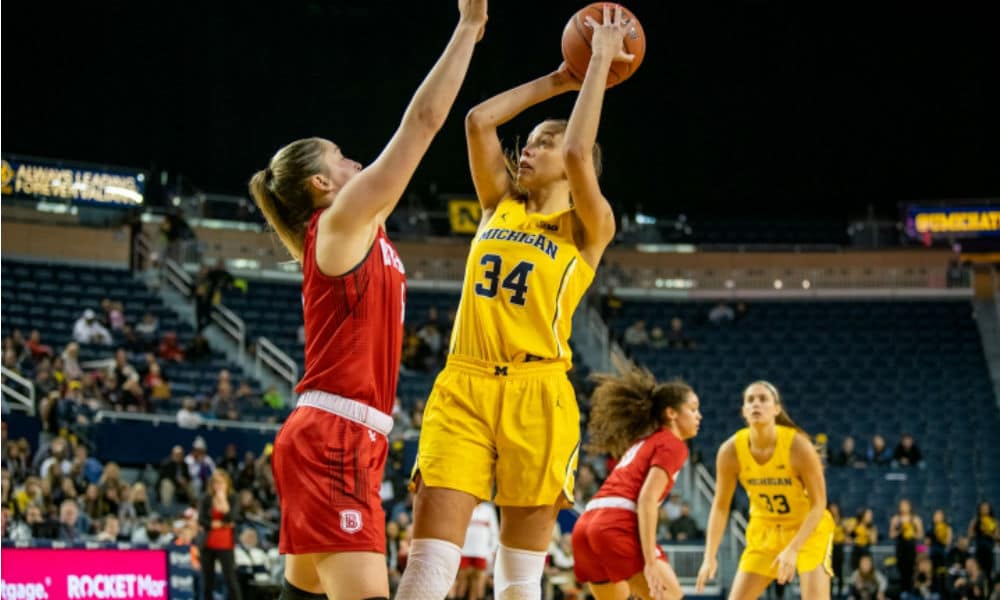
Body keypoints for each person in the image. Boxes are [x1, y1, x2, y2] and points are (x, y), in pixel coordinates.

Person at [248, 2, 489, 598]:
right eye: (344, 158)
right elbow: (425, 123)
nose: (359, 161)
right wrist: (468, 26)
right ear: (322, 185)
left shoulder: (362, 227)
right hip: (334, 436)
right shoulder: (340, 221)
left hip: (347, 436)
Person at [398, 7, 632, 599]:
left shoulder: (588, 226)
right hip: (465, 385)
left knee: (518, 581)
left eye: (543, 143)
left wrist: (600, 63)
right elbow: (478, 121)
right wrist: (560, 78)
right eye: (527, 143)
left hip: (539, 394)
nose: (528, 150)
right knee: (427, 568)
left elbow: (581, 153)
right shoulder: (497, 202)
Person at [571, 364, 701, 600]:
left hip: (586, 525)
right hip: (615, 526)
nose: (698, 416)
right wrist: (650, 561)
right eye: (693, 409)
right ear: (671, 413)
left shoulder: (643, 442)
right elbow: (647, 498)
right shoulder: (673, 444)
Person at [696, 381, 835, 599]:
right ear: (743, 411)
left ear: (776, 409)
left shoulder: (798, 447)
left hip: (807, 531)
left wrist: (793, 549)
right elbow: (721, 507)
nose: (756, 404)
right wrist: (709, 555)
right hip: (764, 531)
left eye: (763, 399)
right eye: (750, 400)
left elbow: (819, 504)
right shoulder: (730, 451)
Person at [199, 470, 241, 600]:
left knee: (230, 578)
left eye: (221, 483)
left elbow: (232, 518)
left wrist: (223, 501)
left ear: (227, 484)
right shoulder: (206, 498)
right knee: (207, 581)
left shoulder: (233, 497)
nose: (218, 486)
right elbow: (201, 520)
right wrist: (217, 524)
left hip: (225, 543)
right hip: (208, 543)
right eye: (216, 483)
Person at [450, 502, 499, 600]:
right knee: (461, 583)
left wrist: (491, 550)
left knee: (478, 585)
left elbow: (494, 532)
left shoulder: (488, 510)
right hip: (464, 552)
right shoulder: (465, 505)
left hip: (482, 553)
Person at [890, 499, 924, 595]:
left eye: (906, 505)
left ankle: (910, 592)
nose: (904, 507)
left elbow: (921, 535)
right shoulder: (896, 519)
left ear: (910, 506)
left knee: (911, 571)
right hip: (900, 548)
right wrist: (900, 531)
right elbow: (891, 535)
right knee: (901, 571)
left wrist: (912, 533)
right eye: (902, 505)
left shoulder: (915, 519)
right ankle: (902, 592)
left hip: (911, 548)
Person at [969, 501, 998, 589]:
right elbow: (970, 535)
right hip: (979, 551)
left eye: (986, 508)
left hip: (989, 551)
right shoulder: (975, 521)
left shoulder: (994, 521)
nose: (984, 510)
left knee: (989, 575)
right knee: (979, 573)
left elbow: (997, 536)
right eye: (982, 508)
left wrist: (988, 532)